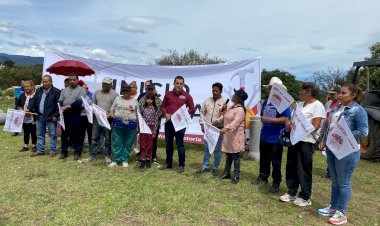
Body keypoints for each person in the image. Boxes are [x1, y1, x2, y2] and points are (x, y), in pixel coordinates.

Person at [317, 84, 368, 225]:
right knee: (335, 180)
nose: (340, 95)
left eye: (343, 93)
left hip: (348, 151)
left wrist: (343, 136)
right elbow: (328, 126)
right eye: (339, 93)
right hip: (333, 149)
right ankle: (333, 207)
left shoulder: (358, 110)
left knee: (344, 182)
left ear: (353, 95)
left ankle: (342, 213)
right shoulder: (336, 108)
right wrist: (325, 140)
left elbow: (363, 131)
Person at [280, 82, 326, 206]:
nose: (299, 92)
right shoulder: (299, 105)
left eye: (302, 90)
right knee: (291, 166)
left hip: (306, 142)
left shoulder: (318, 105)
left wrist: (300, 127)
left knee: (303, 168)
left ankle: (305, 196)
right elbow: (292, 120)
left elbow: (315, 126)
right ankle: (291, 192)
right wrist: (288, 124)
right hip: (294, 140)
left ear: (309, 93)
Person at [253, 77, 291, 193]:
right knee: (264, 159)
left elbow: (286, 118)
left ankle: (276, 182)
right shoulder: (267, 101)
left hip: (276, 137)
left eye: (273, 88)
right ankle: (263, 177)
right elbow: (263, 116)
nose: (270, 90)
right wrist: (264, 119)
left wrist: (269, 119)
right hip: (265, 135)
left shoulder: (283, 103)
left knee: (275, 161)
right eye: (270, 88)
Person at [160, 76, 195, 173]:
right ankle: (168, 163)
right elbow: (162, 106)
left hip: (180, 124)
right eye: (177, 83)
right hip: (169, 123)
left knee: (180, 144)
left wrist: (184, 113)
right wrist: (166, 113)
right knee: (168, 143)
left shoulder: (187, 96)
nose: (179, 85)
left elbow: (192, 109)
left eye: (181, 84)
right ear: (174, 83)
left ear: (183, 84)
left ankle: (181, 165)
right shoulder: (168, 94)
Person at [82, 77, 117, 163]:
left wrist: (112, 113)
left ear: (110, 84)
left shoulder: (115, 94)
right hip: (97, 118)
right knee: (94, 137)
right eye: (103, 83)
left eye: (106, 84)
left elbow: (116, 108)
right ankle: (92, 155)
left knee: (108, 138)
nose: (104, 85)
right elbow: (93, 105)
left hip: (108, 119)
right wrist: (92, 110)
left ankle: (107, 155)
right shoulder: (97, 92)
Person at [196, 82, 227, 176]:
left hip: (218, 129)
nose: (214, 92)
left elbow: (225, 115)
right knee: (207, 148)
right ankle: (205, 166)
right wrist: (202, 124)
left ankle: (215, 168)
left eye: (217, 91)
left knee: (217, 149)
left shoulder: (224, 102)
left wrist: (217, 121)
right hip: (207, 128)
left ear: (221, 91)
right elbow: (202, 112)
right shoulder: (207, 100)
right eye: (213, 90)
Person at [27, 75, 61, 157]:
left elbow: (59, 105)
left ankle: (52, 151)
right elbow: (33, 100)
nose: (44, 83)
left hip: (51, 116)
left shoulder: (56, 92)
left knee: (53, 134)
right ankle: (40, 150)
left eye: (46, 82)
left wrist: (56, 115)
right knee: (40, 134)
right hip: (40, 116)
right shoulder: (39, 90)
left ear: (51, 82)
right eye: (43, 82)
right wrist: (29, 109)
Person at [219, 88, 247, 184]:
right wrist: (223, 112)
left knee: (236, 156)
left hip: (235, 136)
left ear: (238, 98)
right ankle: (227, 173)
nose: (233, 95)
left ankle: (236, 175)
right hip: (229, 135)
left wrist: (226, 128)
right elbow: (225, 117)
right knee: (228, 155)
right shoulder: (232, 107)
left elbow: (235, 122)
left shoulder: (240, 110)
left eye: (235, 95)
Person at [108, 84, 139, 168]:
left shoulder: (135, 101)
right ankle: (116, 160)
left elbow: (137, 114)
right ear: (122, 91)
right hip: (117, 125)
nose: (125, 92)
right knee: (117, 143)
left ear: (130, 92)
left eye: (127, 91)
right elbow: (112, 109)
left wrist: (137, 126)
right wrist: (111, 113)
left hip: (131, 126)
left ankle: (124, 160)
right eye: (124, 91)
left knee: (128, 143)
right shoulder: (118, 98)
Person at [58, 73, 87, 160]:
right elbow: (60, 100)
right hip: (65, 115)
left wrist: (67, 106)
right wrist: (60, 106)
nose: (72, 81)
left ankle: (77, 153)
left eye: (74, 80)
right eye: (70, 80)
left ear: (77, 80)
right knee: (64, 134)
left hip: (76, 115)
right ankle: (64, 152)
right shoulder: (64, 90)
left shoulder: (81, 90)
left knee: (77, 134)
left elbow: (79, 102)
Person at [138, 84, 162, 164]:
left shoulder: (158, 100)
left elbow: (161, 111)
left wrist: (156, 113)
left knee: (153, 142)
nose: (150, 91)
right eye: (149, 89)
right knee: (143, 142)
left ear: (154, 90)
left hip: (154, 125)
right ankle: (142, 157)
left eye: (152, 89)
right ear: (147, 90)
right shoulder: (142, 99)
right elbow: (139, 111)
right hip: (144, 126)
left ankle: (153, 157)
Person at [321, 86, 341, 178]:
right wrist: (322, 130)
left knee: (336, 152)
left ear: (338, 93)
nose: (331, 96)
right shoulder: (329, 104)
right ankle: (330, 171)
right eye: (330, 94)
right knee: (329, 153)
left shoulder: (341, 104)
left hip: (337, 133)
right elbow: (325, 117)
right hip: (327, 131)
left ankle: (335, 172)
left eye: (333, 94)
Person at [16, 80, 37, 152]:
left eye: (27, 86)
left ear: (32, 86)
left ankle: (34, 145)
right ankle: (26, 145)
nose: (26, 88)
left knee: (33, 131)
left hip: (33, 117)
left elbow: (38, 106)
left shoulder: (36, 95)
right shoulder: (22, 95)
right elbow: (17, 104)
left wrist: (31, 111)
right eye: (25, 87)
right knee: (26, 131)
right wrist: (20, 109)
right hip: (24, 117)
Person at [78, 82, 93, 147]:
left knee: (90, 133)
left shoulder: (90, 97)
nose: (86, 89)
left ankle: (91, 146)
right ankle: (80, 147)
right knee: (81, 133)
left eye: (86, 88)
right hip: (81, 117)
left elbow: (92, 105)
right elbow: (77, 105)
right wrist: (83, 106)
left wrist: (86, 106)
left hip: (89, 117)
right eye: (84, 88)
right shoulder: (78, 97)